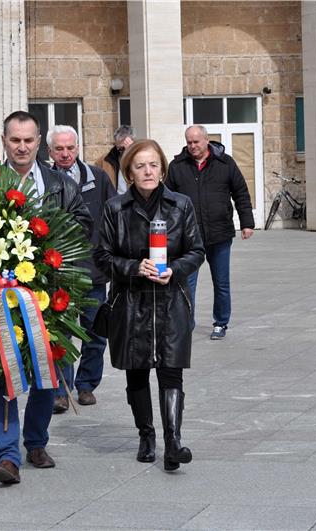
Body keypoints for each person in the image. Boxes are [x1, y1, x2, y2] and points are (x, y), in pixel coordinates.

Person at [0, 111, 92, 485]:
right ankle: (8, 455)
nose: (22, 146)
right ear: (4, 140)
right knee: (5, 369)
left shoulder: (60, 183)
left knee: (47, 369)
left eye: (29, 140)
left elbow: (83, 224)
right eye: (15, 140)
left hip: (49, 291)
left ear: (38, 140)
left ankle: (36, 441)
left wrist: (51, 244)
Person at [93, 138, 204, 471]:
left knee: (171, 373)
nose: (147, 171)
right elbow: (101, 255)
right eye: (140, 165)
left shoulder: (180, 205)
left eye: (153, 164)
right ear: (129, 171)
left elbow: (196, 250)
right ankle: (146, 435)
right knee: (137, 373)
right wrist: (132, 267)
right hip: (131, 302)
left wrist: (175, 269)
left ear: (162, 168)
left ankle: (173, 443)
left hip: (171, 301)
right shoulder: (116, 209)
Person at [46, 125, 115, 413]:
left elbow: (114, 215)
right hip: (58, 271)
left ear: (78, 148)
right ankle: (62, 391)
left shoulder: (97, 178)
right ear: (50, 151)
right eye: (59, 149)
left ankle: (86, 385)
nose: (65, 153)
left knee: (95, 331)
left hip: (93, 270)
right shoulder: (44, 180)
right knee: (61, 334)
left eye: (70, 148)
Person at [165, 125, 254, 340]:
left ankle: (221, 323)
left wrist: (247, 222)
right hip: (189, 237)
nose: (192, 146)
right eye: (189, 142)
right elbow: (167, 199)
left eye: (196, 142)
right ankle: (186, 323)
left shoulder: (225, 163)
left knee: (221, 282)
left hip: (219, 233)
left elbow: (240, 192)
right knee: (187, 283)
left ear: (207, 141)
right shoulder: (177, 166)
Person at [94, 125, 134, 194]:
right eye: (119, 148)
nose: (122, 152)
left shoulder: (139, 157)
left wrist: (132, 152)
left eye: (124, 148)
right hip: (114, 201)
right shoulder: (104, 160)